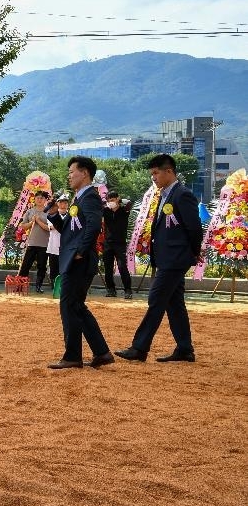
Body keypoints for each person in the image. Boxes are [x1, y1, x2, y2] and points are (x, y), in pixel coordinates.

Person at [115, 154, 202, 363]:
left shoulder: (182, 195)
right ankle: (184, 349)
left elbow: (194, 228)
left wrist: (191, 254)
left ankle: (139, 348)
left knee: (156, 299)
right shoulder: (164, 195)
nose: (153, 177)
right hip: (167, 258)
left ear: (169, 172)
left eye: (156, 173)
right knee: (174, 304)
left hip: (175, 259)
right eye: (152, 173)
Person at [46, 156, 115, 370]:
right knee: (75, 306)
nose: (69, 175)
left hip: (79, 260)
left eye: (71, 171)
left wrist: (81, 251)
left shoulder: (90, 198)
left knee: (69, 305)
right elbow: (69, 229)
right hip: (73, 258)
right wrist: (54, 216)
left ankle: (74, 356)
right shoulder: (79, 198)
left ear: (84, 173)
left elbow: (94, 226)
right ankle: (101, 352)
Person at [17, 190, 51, 293]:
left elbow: (49, 228)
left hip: (44, 244)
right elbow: (23, 226)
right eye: (38, 198)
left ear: (45, 200)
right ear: (35, 199)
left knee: (41, 266)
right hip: (31, 243)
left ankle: (38, 286)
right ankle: (20, 285)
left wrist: (39, 221)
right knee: (25, 265)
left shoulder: (48, 212)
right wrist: (32, 222)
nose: (40, 200)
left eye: (42, 198)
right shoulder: (29, 211)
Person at [102, 191, 134, 299]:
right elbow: (98, 206)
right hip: (108, 243)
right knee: (108, 268)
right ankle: (111, 289)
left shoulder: (124, 210)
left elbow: (130, 202)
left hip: (120, 244)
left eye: (112, 200)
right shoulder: (105, 211)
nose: (110, 202)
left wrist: (120, 201)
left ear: (117, 199)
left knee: (122, 267)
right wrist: (104, 203)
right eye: (109, 201)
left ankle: (128, 290)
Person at [46, 194, 70, 287]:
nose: (63, 204)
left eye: (65, 202)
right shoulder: (52, 214)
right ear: (57, 204)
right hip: (54, 244)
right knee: (54, 266)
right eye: (61, 202)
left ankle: (65, 284)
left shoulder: (71, 215)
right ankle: (54, 284)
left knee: (65, 266)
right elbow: (50, 227)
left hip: (66, 245)